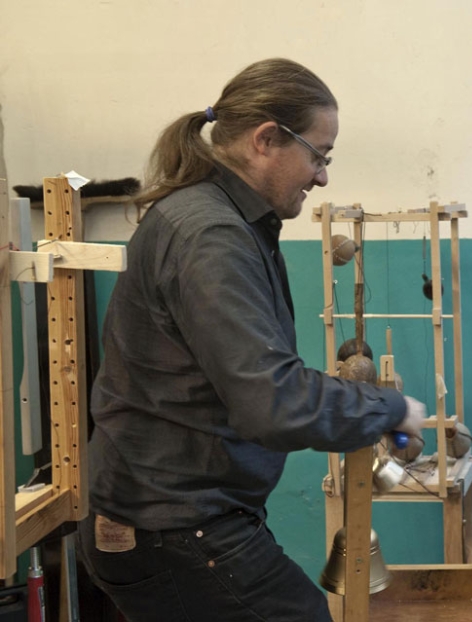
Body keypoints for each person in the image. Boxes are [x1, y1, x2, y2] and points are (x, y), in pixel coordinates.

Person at [77, 58, 425, 622]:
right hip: (175, 528)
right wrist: (390, 407)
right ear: (267, 139)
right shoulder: (210, 235)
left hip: (168, 518)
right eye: (319, 154)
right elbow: (273, 401)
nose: (323, 177)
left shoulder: (220, 221)